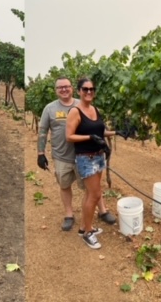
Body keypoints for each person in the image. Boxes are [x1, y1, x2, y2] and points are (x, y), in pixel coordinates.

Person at [37, 76, 116, 232]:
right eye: (60, 87)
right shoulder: (50, 108)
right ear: (56, 90)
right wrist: (40, 152)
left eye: (67, 86)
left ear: (73, 88)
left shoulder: (83, 105)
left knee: (91, 188)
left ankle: (102, 210)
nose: (64, 89)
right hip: (62, 156)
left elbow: (98, 130)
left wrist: (116, 133)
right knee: (65, 185)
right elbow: (43, 131)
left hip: (85, 155)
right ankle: (69, 214)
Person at [65, 77, 115, 249]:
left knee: (90, 194)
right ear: (79, 91)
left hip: (99, 156)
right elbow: (69, 136)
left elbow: (100, 131)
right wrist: (89, 137)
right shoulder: (75, 111)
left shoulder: (94, 109)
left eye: (91, 89)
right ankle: (87, 233)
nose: (88, 92)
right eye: (85, 89)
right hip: (86, 158)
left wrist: (117, 132)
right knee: (94, 195)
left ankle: (83, 228)